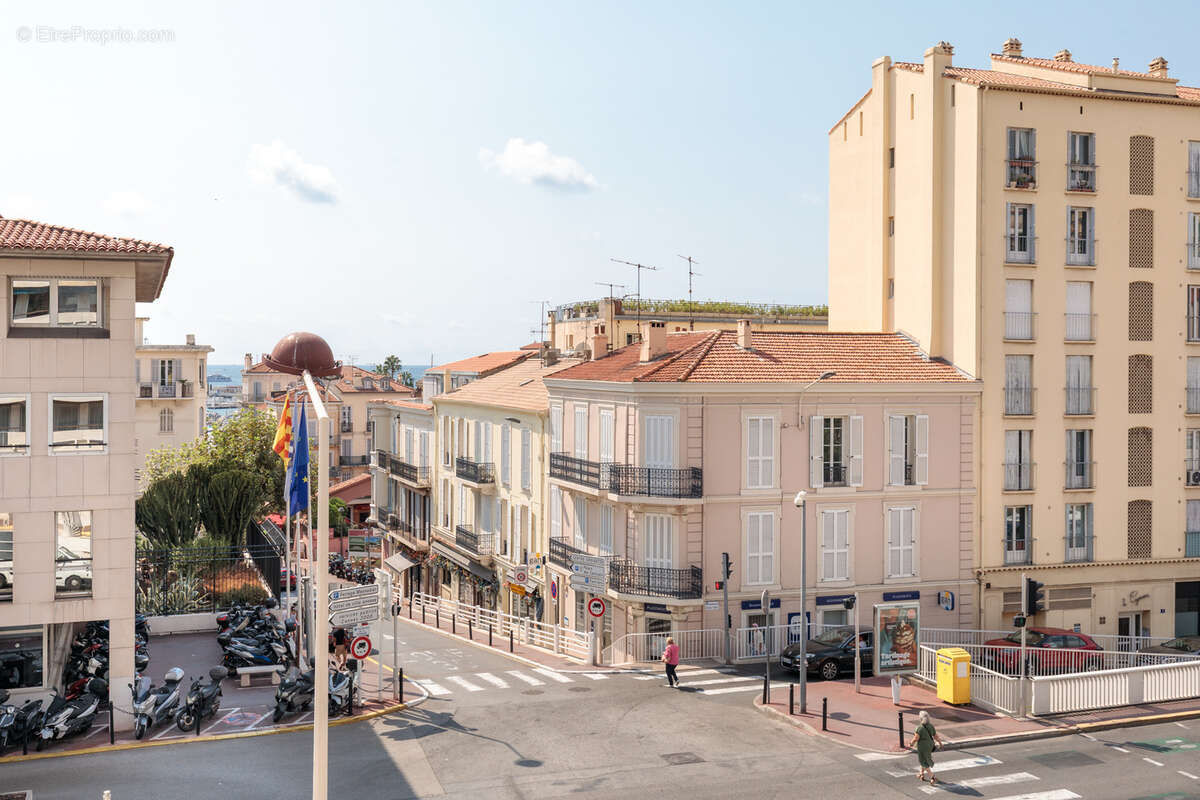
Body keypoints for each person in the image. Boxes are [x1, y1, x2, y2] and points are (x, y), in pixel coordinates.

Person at [909, 710, 945, 784]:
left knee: (923, 762)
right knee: (924, 759)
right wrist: (940, 744)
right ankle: (921, 774)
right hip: (930, 745)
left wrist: (911, 744)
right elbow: (936, 736)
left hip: (922, 746)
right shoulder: (931, 726)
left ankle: (932, 777)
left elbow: (916, 738)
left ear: (920, 719)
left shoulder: (919, 728)